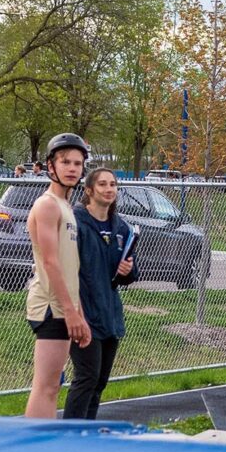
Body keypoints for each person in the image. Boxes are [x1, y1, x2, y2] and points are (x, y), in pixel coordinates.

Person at [24, 133, 91, 418]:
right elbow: (51, 263)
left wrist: (80, 312)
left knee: (54, 385)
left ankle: (41, 451)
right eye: (65, 162)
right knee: (46, 387)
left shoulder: (66, 207)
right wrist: (69, 311)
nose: (72, 168)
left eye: (77, 163)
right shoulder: (48, 205)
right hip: (51, 306)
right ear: (51, 165)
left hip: (65, 306)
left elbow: (69, 266)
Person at [62, 168, 138, 420]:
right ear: (89, 191)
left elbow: (127, 274)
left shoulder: (121, 228)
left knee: (99, 383)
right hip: (83, 314)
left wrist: (127, 270)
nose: (109, 189)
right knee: (86, 378)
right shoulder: (76, 224)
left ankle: (88, 434)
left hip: (109, 316)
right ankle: (71, 437)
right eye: (103, 184)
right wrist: (74, 312)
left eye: (113, 185)